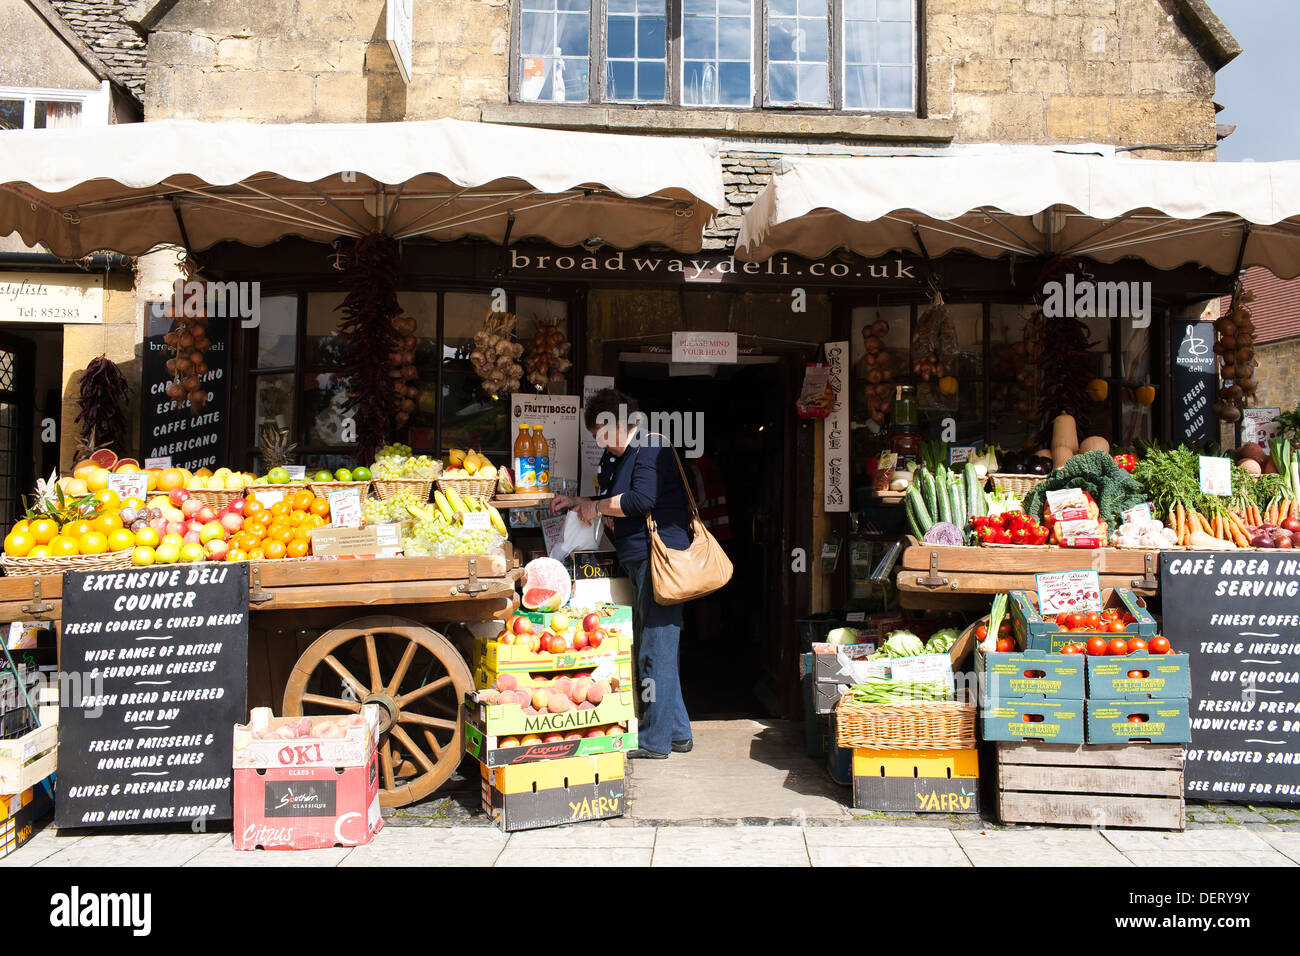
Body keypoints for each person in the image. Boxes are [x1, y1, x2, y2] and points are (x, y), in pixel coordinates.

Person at [551, 388, 692, 759]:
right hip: (638, 559)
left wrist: (595, 507)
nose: (599, 442)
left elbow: (639, 500)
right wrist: (581, 503)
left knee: (654, 649)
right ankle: (677, 733)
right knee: (659, 645)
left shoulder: (650, 447)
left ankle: (654, 741)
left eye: (601, 433)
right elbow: (610, 500)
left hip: (659, 560)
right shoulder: (617, 457)